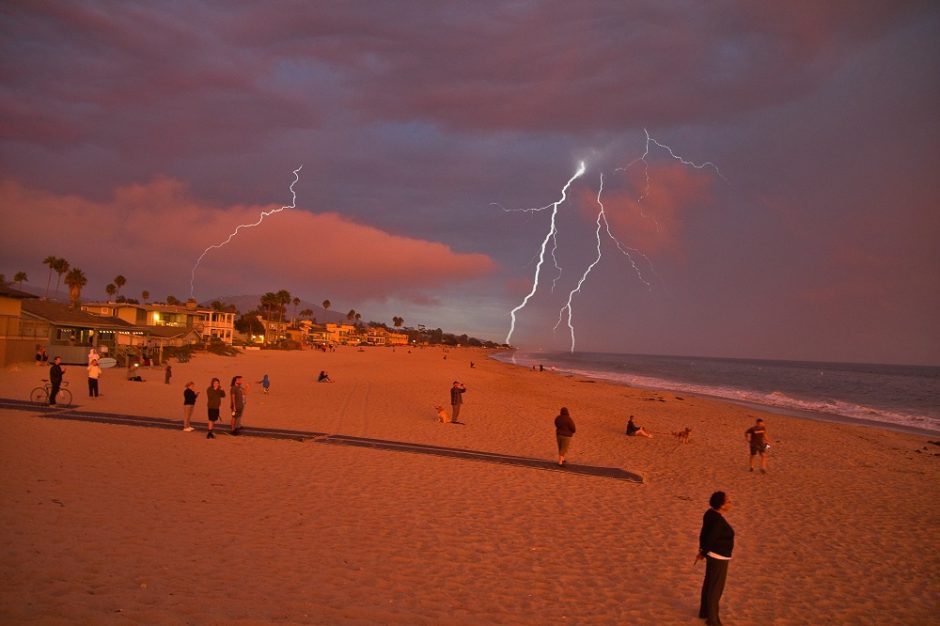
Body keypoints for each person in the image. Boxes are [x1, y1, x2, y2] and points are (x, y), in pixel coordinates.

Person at [696, 491, 734, 626]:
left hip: (713, 555)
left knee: (709, 584)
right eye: (728, 501)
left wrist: (702, 550)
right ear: (721, 505)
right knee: (716, 588)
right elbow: (711, 537)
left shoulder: (710, 513)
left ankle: (704, 611)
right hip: (718, 556)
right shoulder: (718, 520)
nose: (730, 503)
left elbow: (703, 533)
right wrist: (703, 551)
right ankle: (712, 620)